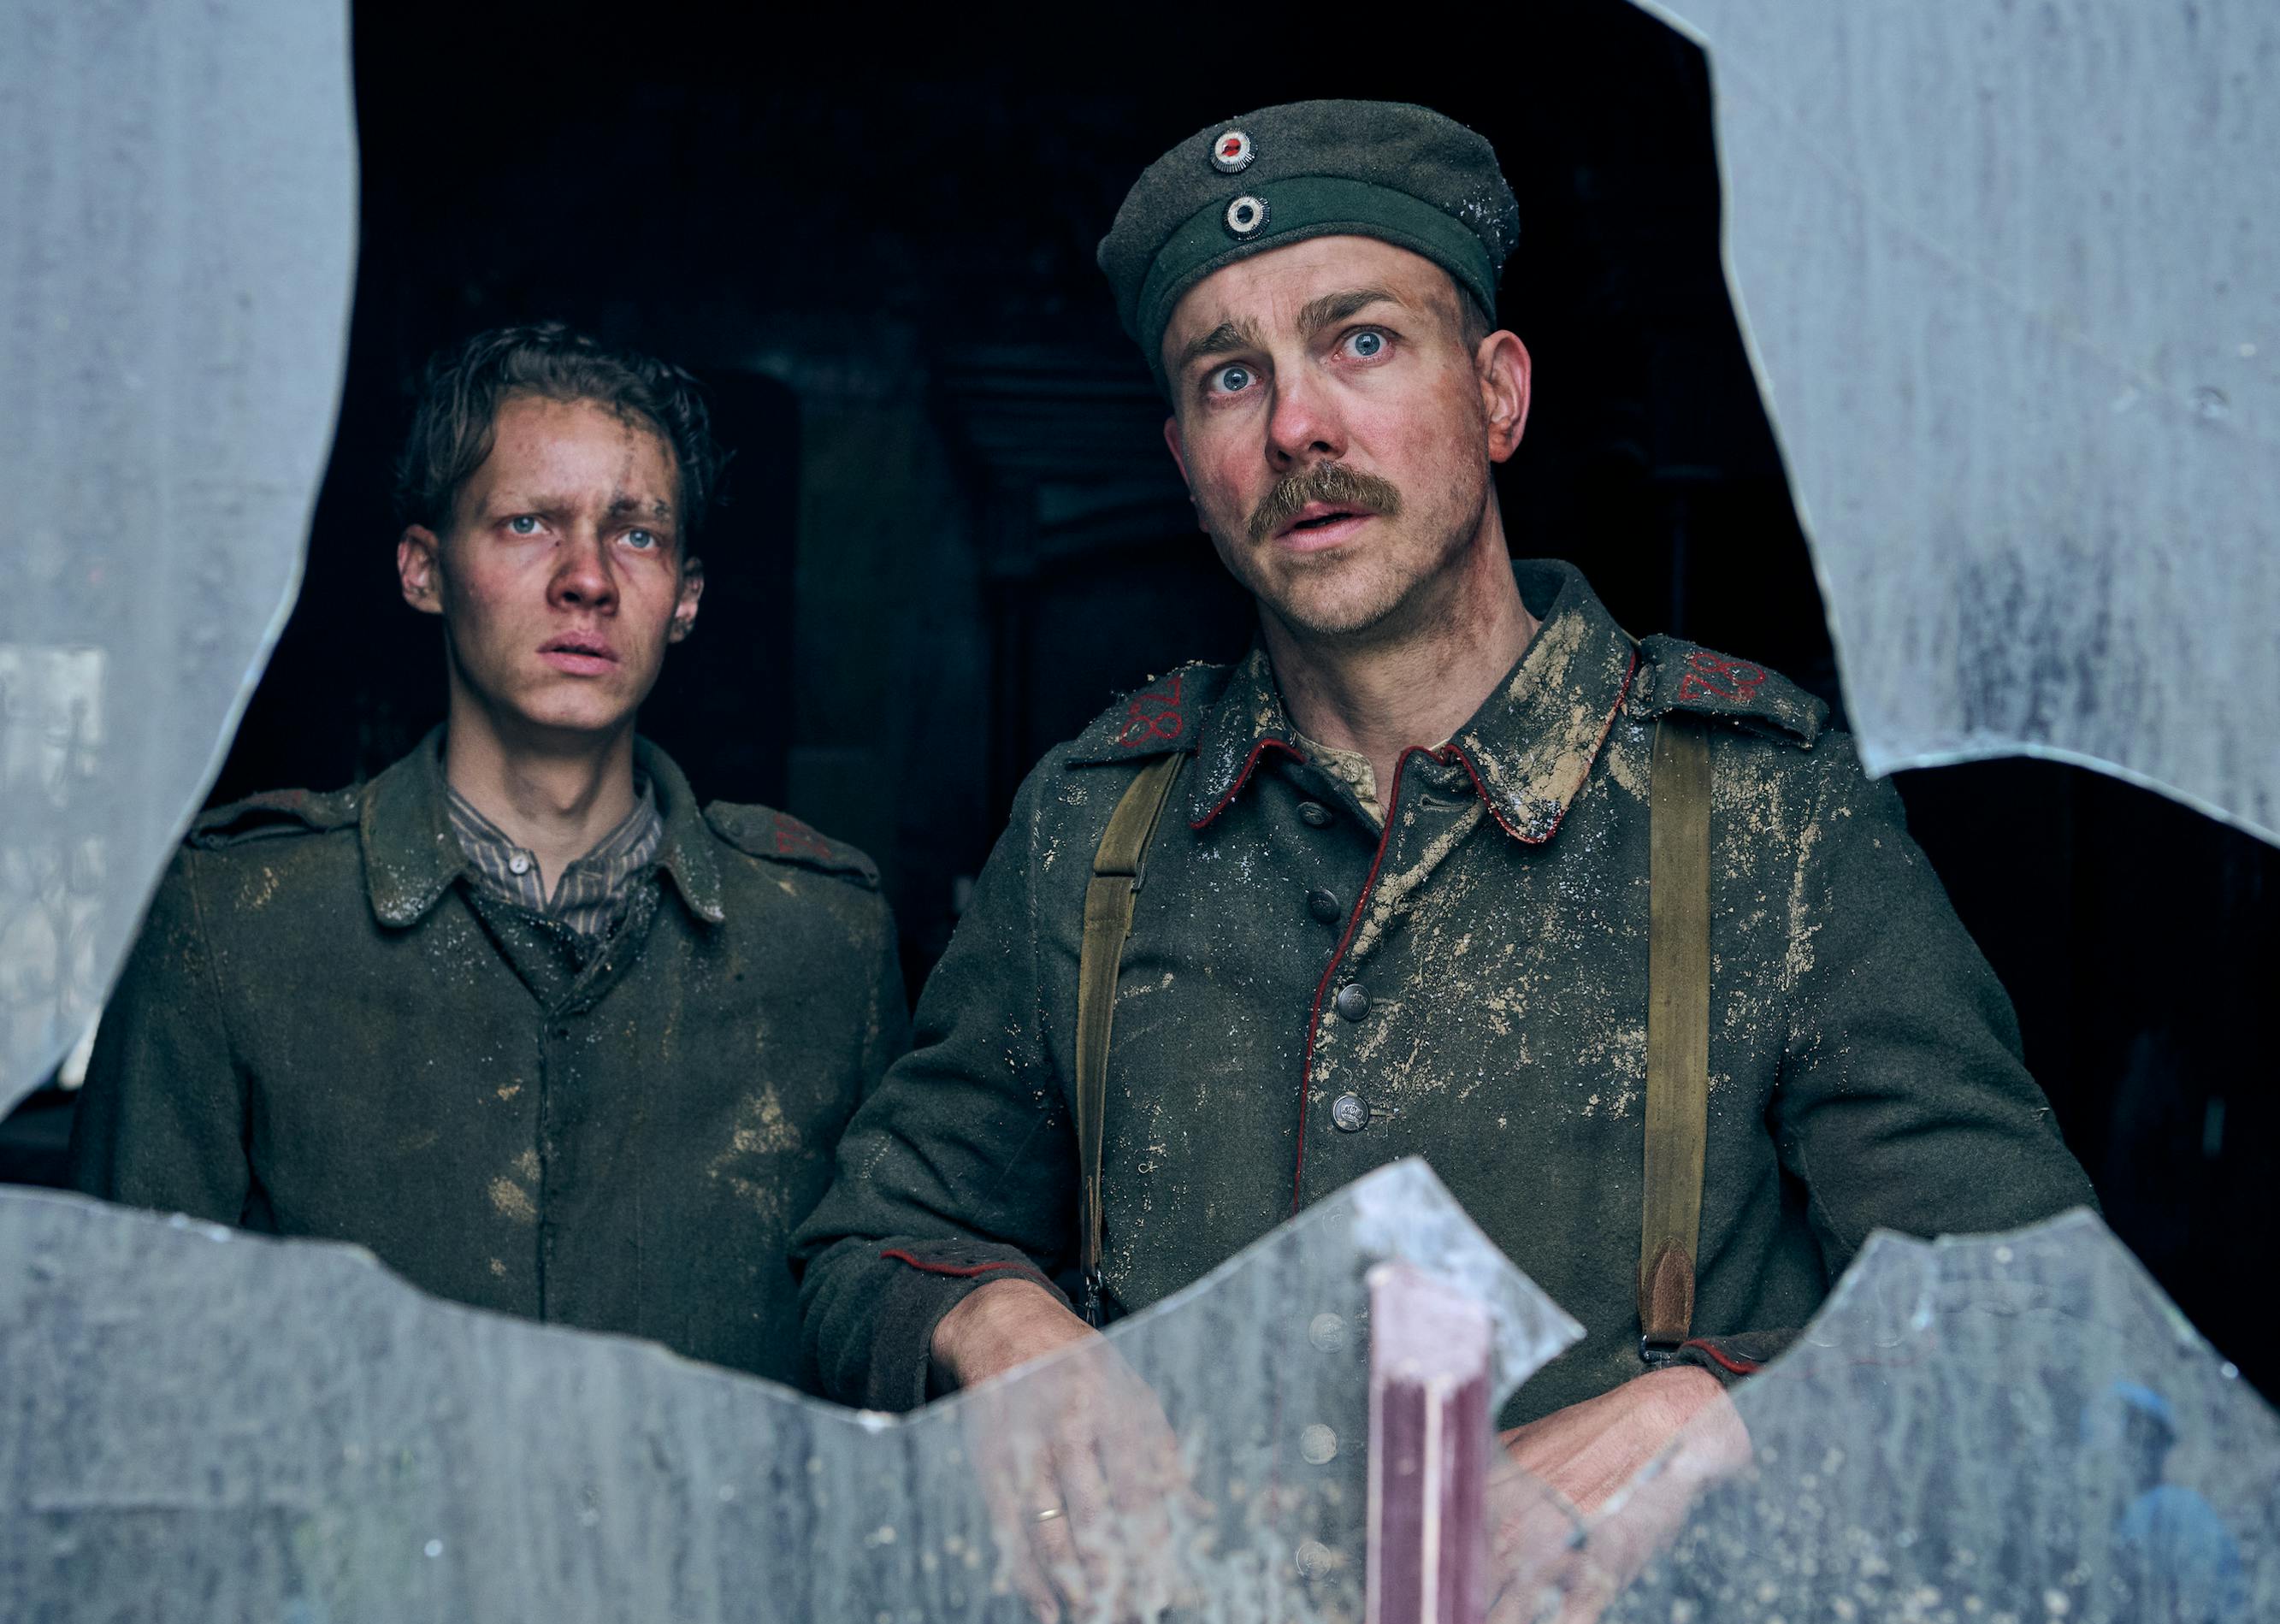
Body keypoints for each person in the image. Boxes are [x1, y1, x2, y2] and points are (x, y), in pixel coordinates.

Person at [796, 101, 2090, 1512]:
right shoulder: (1096, 829)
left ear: (1498, 395)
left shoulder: (1763, 820)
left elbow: (2032, 1325)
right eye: (1230, 377)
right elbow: (871, 1245)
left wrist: (1729, 1409)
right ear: (1186, 466)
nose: (1298, 425)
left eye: (1361, 341)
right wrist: (990, 1324)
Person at [70, 323, 905, 1388]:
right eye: (527, 523)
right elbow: (125, 1359)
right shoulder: (239, 920)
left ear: (685, 597)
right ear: (424, 570)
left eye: (636, 534)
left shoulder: (821, 940)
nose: (588, 579)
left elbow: (868, 1343)